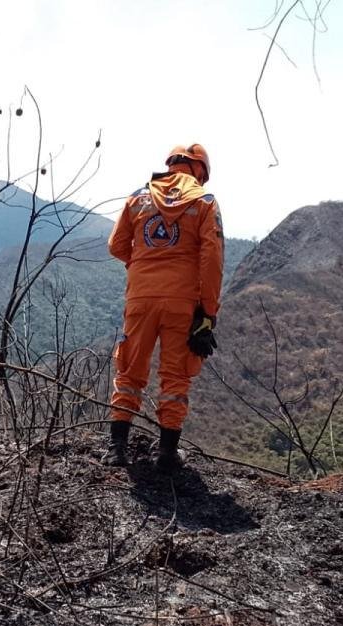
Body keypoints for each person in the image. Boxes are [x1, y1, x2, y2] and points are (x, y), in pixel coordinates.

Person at [104, 144, 224, 470]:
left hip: (140, 298)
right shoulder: (204, 202)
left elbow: (116, 245)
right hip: (182, 302)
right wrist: (208, 312)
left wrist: (143, 264)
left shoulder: (139, 197)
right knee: (175, 375)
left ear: (171, 165)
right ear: (200, 170)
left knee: (130, 369)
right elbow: (211, 260)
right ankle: (168, 455)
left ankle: (117, 450)